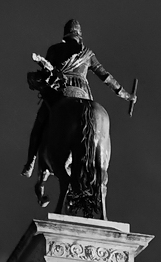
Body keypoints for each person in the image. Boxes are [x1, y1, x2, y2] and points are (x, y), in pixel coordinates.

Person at [22, 19, 134, 177]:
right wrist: (125, 94)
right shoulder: (87, 54)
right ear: (79, 35)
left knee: (39, 124)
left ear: (65, 35)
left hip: (61, 91)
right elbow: (105, 76)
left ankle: (30, 163)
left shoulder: (54, 49)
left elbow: (46, 73)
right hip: (83, 94)